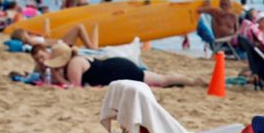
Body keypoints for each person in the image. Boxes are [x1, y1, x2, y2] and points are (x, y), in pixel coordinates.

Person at [33, 42, 204, 88]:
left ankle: (190, 81)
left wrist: (56, 76)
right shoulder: (75, 61)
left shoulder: (74, 64)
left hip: (119, 70)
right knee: (161, 79)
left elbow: (74, 87)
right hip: (117, 67)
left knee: (160, 80)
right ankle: (189, 80)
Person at [9, 24, 98, 49]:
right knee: (79, 27)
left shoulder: (31, 39)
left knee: (78, 27)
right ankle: (90, 47)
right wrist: (59, 42)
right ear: (22, 35)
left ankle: (90, 46)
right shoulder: (31, 41)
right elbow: (46, 44)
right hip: (60, 44)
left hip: (60, 43)